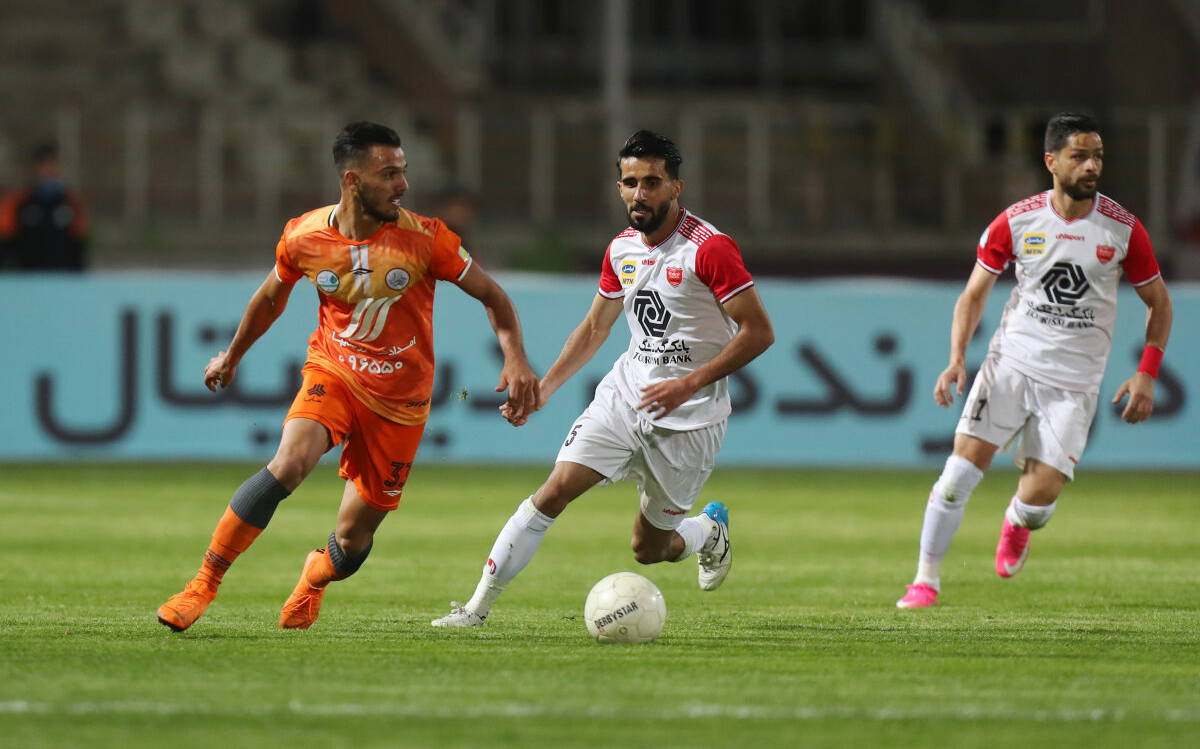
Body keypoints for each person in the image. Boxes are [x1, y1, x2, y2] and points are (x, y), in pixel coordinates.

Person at [157, 121, 539, 632]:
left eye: (403, 172)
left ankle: (315, 576)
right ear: (352, 180)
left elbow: (494, 296)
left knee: (352, 542)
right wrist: (232, 355)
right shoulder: (304, 236)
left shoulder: (427, 239)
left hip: (401, 401)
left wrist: (515, 357)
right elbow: (270, 298)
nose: (403, 184)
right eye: (390, 174)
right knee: (289, 463)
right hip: (334, 371)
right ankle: (202, 584)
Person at [431, 129, 775, 628]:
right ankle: (474, 609)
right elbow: (596, 327)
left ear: (676, 187)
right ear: (619, 187)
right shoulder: (621, 250)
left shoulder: (709, 249)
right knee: (553, 492)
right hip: (624, 398)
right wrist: (546, 388)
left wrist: (688, 383)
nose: (640, 194)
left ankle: (706, 532)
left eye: (652, 182)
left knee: (648, 550)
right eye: (630, 183)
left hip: (690, 418)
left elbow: (759, 332)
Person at [896, 112, 1174, 609]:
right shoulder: (1017, 221)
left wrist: (1146, 373)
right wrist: (957, 358)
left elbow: (1160, 303)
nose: (1092, 166)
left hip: (1074, 383)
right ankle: (924, 581)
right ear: (1051, 161)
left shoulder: (1123, 229)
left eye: (1098, 156)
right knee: (957, 476)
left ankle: (1017, 521)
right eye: (1080, 156)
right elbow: (973, 295)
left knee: (1039, 502)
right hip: (1011, 364)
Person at [0, 142, 89, 271]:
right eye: (44, 164)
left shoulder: (73, 203)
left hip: (62, 276)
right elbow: (6, 243)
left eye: (53, 164)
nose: (48, 169)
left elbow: (79, 245)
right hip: (26, 276)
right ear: (34, 168)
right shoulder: (16, 202)